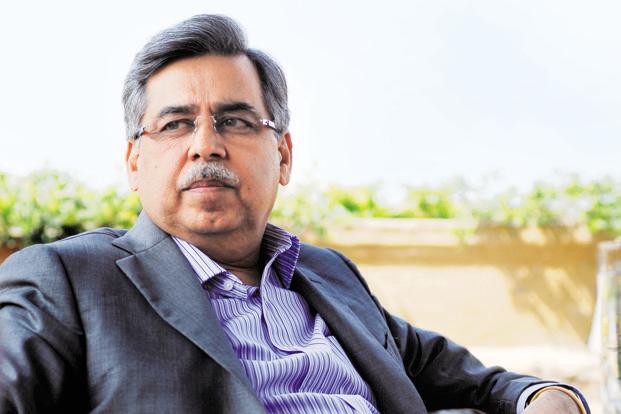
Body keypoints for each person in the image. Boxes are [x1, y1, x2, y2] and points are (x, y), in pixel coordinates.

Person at [0, 14, 589, 414]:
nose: (205, 146)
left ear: (282, 155)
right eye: (176, 124)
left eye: (234, 121)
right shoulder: (68, 280)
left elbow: (457, 373)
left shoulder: (331, 275)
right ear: (135, 162)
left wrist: (542, 397)